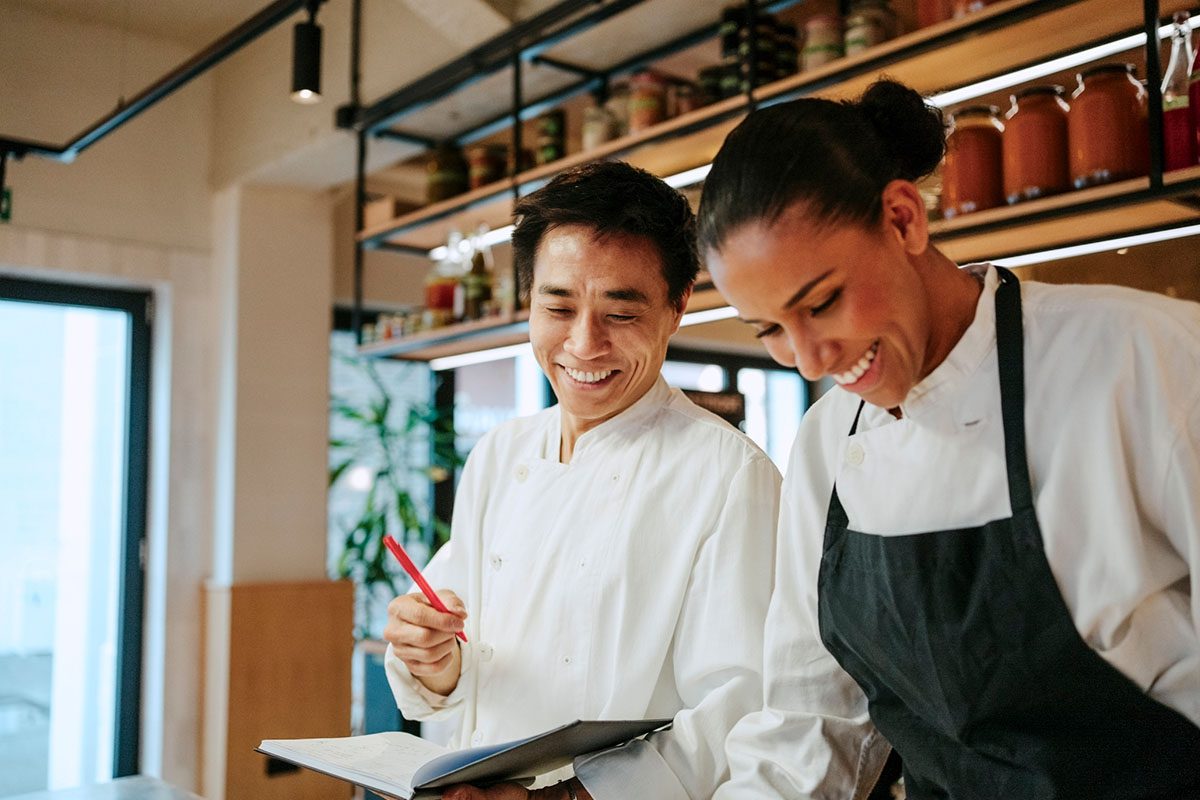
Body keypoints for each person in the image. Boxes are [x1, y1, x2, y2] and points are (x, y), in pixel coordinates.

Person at [696, 79, 1200, 798]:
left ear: (903, 220)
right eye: (771, 330)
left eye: (824, 301)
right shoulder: (825, 442)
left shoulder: (1144, 356)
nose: (811, 360)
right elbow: (812, 725)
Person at [382, 160, 782, 800]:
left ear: (677, 306)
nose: (583, 344)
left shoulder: (728, 476)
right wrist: (432, 656)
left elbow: (738, 712)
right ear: (528, 301)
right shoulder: (498, 453)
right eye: (558, 306)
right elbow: (462, 651)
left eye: (620, 314)